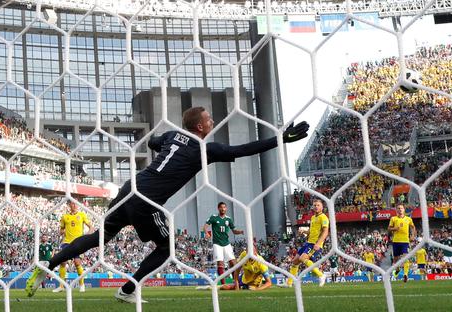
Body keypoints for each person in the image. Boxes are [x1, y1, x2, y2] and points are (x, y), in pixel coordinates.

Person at [25, 106, 309, 302]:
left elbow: (154, 142)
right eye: (209, 120)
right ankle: (127, 290)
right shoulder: (204, 149)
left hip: (129, 189)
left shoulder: (173, 135)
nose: (212, 123)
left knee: (98, 237)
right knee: (166, 247)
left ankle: (47, 266)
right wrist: (281, 138)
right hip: (147, 201)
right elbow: (244, 150)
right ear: (200, 126)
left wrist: (164, 147)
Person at [281, 199, 328, 288]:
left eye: (318, 205)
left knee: (303, 258)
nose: (316, 207)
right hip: (308, 243)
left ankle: (321, 275)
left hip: (315, 244)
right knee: (295, 261)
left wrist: (318, 243)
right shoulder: (313, 217)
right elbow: (311, 231)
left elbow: (325, 232)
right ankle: (289, 283)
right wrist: (304, 231)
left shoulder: (323, 217)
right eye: (314, 205)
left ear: (322, 207)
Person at [52, 201, 94, 293]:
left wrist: (86, 236)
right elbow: (61, 230)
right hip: (66, 242)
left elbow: (91, 227)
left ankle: (82, 285)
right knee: (63, 262)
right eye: (72, 204)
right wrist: (62, 232)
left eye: (76, 204)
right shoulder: (64, 217)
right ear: (69, 205)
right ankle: (61, 286)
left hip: (78, 242)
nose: (74, 205)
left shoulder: (82, 215)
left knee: (77, 263)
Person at [203, 202, 244, 285]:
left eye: (224, 207)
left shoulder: (228, 219)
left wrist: (239, 232)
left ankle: (235, 281)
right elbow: (205, 226)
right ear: (218, 208)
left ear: (226, 209)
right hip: (217, 244)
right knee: (220, 262)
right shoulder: (214, 217)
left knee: (233, 262)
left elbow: (234, 231)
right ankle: (223, 283)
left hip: (226, 243)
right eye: (221, 207)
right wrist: (206, 233)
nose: (223, 209)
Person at [388, 204, 416, 283]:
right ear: (396, 210)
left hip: (405, 241)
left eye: (401, 208)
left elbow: (413, 227)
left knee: (405, 257)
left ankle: (405, 274)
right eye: (398, 208)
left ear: (404, 209)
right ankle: (397, 269)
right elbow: (389, 228)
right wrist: (395, 228)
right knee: (396, 259)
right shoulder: (393, 218)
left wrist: (413, 235)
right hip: (396, 241)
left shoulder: (408, 219)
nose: (400, 209)